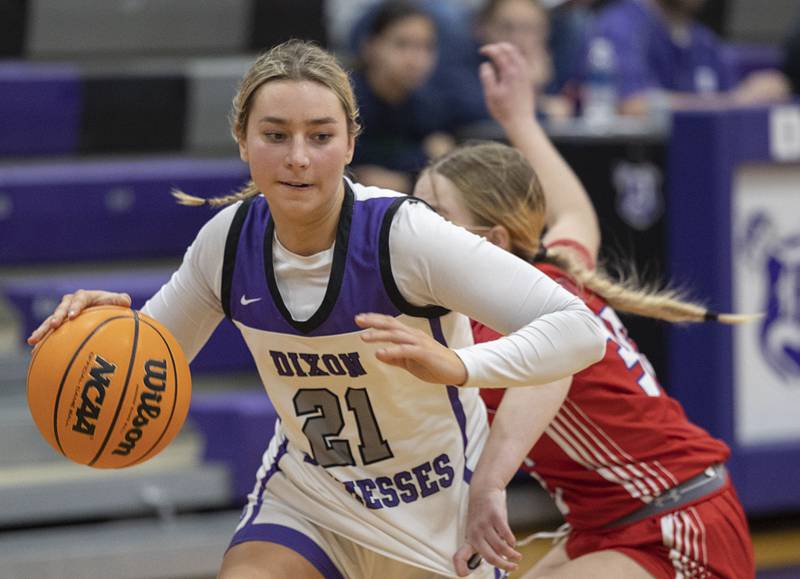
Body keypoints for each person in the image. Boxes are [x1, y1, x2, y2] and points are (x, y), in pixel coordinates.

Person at [27, 40, 607, 578]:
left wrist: (460, 366)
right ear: (242, 140)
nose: (299, 158)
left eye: (320, 136)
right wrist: (103, 331)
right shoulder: (225, 244)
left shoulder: (405, 236)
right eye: (275, 135)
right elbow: (149, 360)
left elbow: (580, 329)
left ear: (350, 144)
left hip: (441, 506)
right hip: (312, 500)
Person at [413, 42, 756, 578]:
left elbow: (551, 370)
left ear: (493, 240)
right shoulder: (553, 265)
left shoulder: (516, 319)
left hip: (677, 518)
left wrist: (489, 485)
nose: (416, 229)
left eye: (434, 217)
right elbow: (574, 211)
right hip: (610, 522)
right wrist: (521, 121)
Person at [578, 0, 788, 117]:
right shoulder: (620, 26)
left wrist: (753, 95)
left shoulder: (703, 40)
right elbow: (633, 104)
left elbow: (733, 95)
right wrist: (734, 102)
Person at [350, 0, 457, 193]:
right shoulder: (345, 101)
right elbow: (357, 167)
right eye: (402, 44)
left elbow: (443, 155)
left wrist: (405, 179)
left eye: (427, 47)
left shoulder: (431, 105)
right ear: (370, 46)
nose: (416, 59)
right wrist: (423, 158)